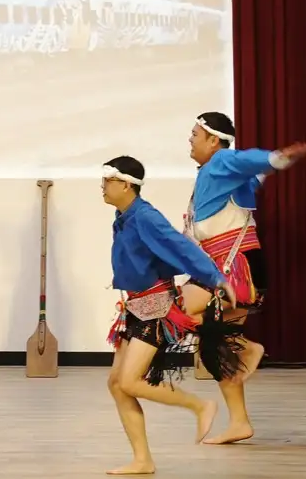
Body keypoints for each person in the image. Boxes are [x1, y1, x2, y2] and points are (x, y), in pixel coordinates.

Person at [101, 155, 241, 476]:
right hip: (135, 308)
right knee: (117, 384)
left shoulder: (145, 217)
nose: (102, 187)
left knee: (130, 381)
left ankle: (199, 405)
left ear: (126, 184)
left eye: (107, 181)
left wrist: (216, 279)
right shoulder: (122, 218)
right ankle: (142, 460)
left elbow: (181, 247)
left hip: (157, 309)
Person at [184, 113, 306, 445]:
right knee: (219, 346)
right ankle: (240, 422)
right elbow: (255, 174)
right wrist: (269, 166)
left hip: (232, 267)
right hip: (238, 263)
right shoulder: (226, 177)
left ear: (213, 140)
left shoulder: (221, 161)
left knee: (172, 311)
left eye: (195, 134)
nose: (190, 140)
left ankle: (249, 347)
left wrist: (275, 158)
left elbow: (248, 159)